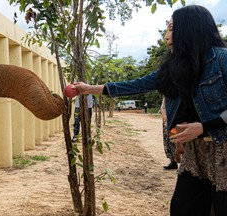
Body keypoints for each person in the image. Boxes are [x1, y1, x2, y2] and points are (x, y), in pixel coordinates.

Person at [72, 5, 227, 215]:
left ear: (190, 29)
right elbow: (137, 84)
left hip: (223, 150)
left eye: (172, 28)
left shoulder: (221, 59)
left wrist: (204, 127)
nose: (167, 36)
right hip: (195, 154)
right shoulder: (175, 66)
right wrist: (89, 88)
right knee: (183, 208)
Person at [161, 97, 178, 170]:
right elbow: (163, 106)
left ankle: (183, 165)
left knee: (178, 141)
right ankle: (173, 162)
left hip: (177, 121)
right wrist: (165, 118)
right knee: (169, 141)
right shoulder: (166, 93)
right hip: (168, 121)